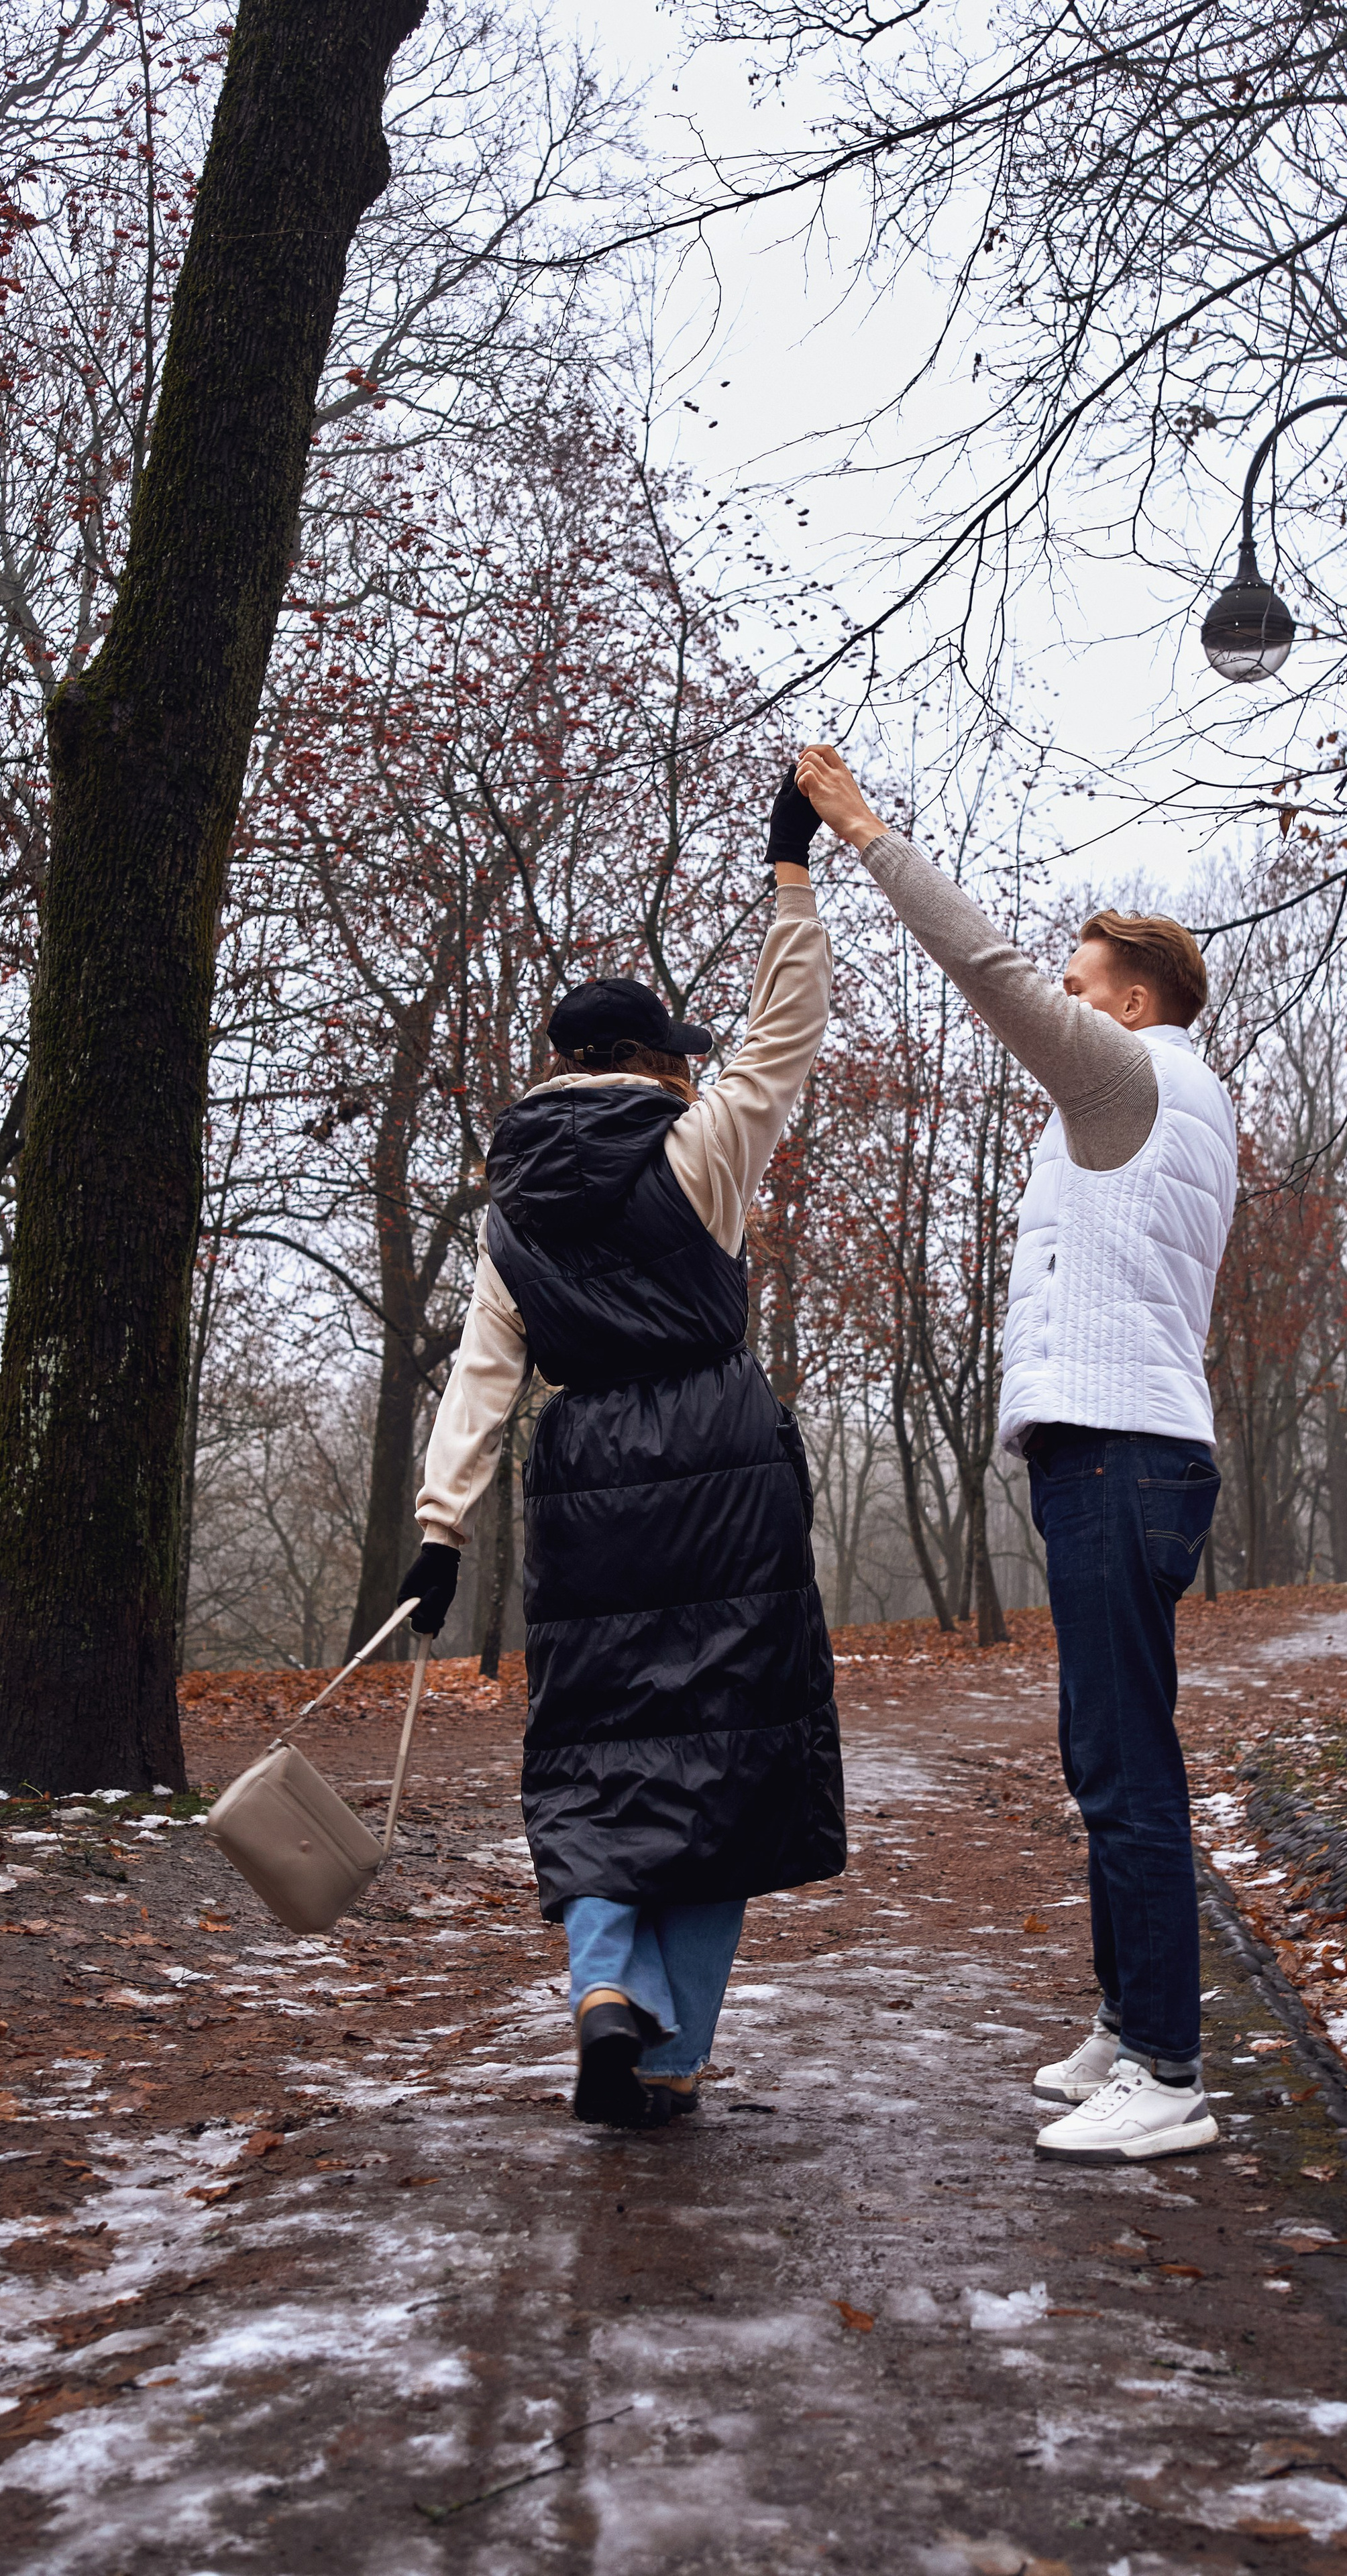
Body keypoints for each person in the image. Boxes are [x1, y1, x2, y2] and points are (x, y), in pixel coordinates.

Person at [794, 744, 1236, 2165]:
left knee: (1123, 1762)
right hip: (1117, 1453)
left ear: (1132, 996)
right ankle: (1127, 2020)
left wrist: (860, 832)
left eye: (1080, 971)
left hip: (1122, 1454)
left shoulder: (1133, 1086)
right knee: (1102, 1747)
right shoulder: (1155, 1101)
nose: (1059, 984)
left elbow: (982, 968)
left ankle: (1163, 2069)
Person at [398, 777, 844, 2129]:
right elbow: (789, 1028)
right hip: (718, 1465)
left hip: (584, 1476)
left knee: (596, 1750)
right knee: (723, 1764)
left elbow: (482, 1375)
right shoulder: (699, 1146)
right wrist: (787, 871)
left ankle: (605, 1986)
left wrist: (439, 1532)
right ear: (659, 1063)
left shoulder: (509, 1217)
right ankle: (666, 2054)